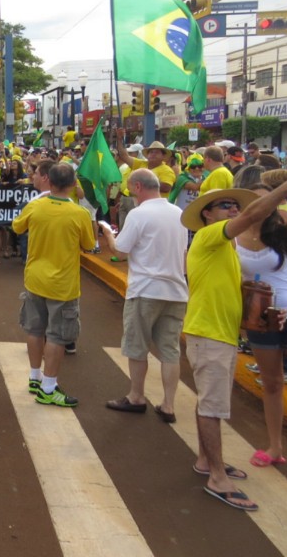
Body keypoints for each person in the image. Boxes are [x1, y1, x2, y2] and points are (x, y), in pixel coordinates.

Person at [179, 171, 287, 511]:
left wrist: (263, 314)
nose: (233, 210)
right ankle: (217, 476)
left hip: (219, 333)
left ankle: (206, 461)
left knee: (209, 403)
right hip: (209, 334)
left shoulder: (224, 246)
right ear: (207, 213)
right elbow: (252, 215)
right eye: (225, 205)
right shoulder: (210, 236)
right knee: (213, 407)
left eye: (235, 205)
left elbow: (236, 290)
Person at [98, 169, 188, 421]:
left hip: (146, 289)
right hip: (176, 290)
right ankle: (168, 404)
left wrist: (108, 233)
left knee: (137, 346)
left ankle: (136, 396)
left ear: (138, 187)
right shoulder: (178, 213)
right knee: (170, 350)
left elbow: (121, 250)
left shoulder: (139, 214)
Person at [11, 163, 95, 407]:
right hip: (63, 285)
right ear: (72, 184)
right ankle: (48, 387)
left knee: (35, 330)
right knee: (57, 336)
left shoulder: (36, 205)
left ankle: (35, 377)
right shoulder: (79, 213)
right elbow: (89, 245)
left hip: (35, 279)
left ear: (49, 181)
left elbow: (17, 227)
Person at [234, 183, 287, 468]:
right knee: (271, 384)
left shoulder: (286, 236)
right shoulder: (233, 238)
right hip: (260, 321)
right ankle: (274, 447)